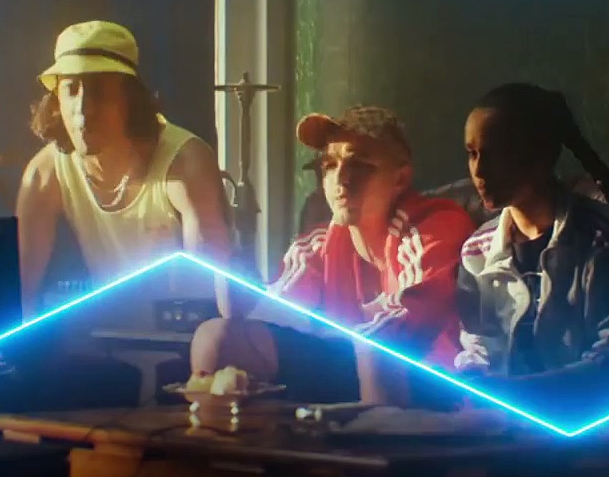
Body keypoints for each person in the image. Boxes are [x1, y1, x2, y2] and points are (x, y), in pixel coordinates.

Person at [7, 20, 237, 408]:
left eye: (99, 90)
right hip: (101, 348)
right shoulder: (44, 172)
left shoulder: (186, 162)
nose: (83, 108)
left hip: (189, 355)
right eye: (71, 89)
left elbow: (217, 292)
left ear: (130, 98)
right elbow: (20, 297)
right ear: (56, 100)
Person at [188, 105, 475, 406]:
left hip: (428, 380)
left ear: (400, 179)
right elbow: (274, 316)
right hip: (350, 366)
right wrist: (233, 277)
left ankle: (376, 432)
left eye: (360, 165)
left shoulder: (435, 226)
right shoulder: (318, 244)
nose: (342, 179)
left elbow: (409, 325)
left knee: (377, 352)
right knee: (217, 338)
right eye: (329, 165)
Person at [452, 83, 609, 422]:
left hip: (602, 424)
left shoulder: (602, 240)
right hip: (507, 426)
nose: (479, 172)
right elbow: (478, 344)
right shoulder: (476, 251)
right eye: (472, 153)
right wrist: (473, 379)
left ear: (541, 156)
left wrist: (516, 394)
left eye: (496, 154)